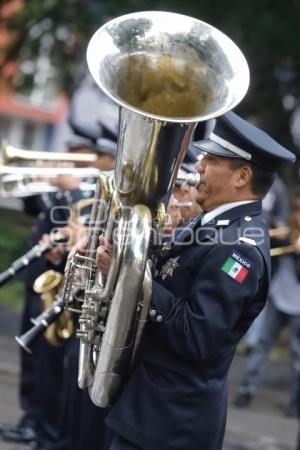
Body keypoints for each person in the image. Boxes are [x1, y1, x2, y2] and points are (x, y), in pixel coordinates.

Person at [92, 111, 295, 450]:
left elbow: (197, 337)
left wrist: (131, 275)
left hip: (172, 423)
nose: (198, 167)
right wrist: (117, 268)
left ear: (242, 176)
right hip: (150, 409)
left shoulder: (239, 249)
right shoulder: (210, 225)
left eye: (211, 160)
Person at [234, 187, 300, 417]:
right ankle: (246, 389)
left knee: (296, 353)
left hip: (297, 304)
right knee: (263, 344)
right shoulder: (292, 224)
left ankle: (296, 402)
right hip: (279, 295)